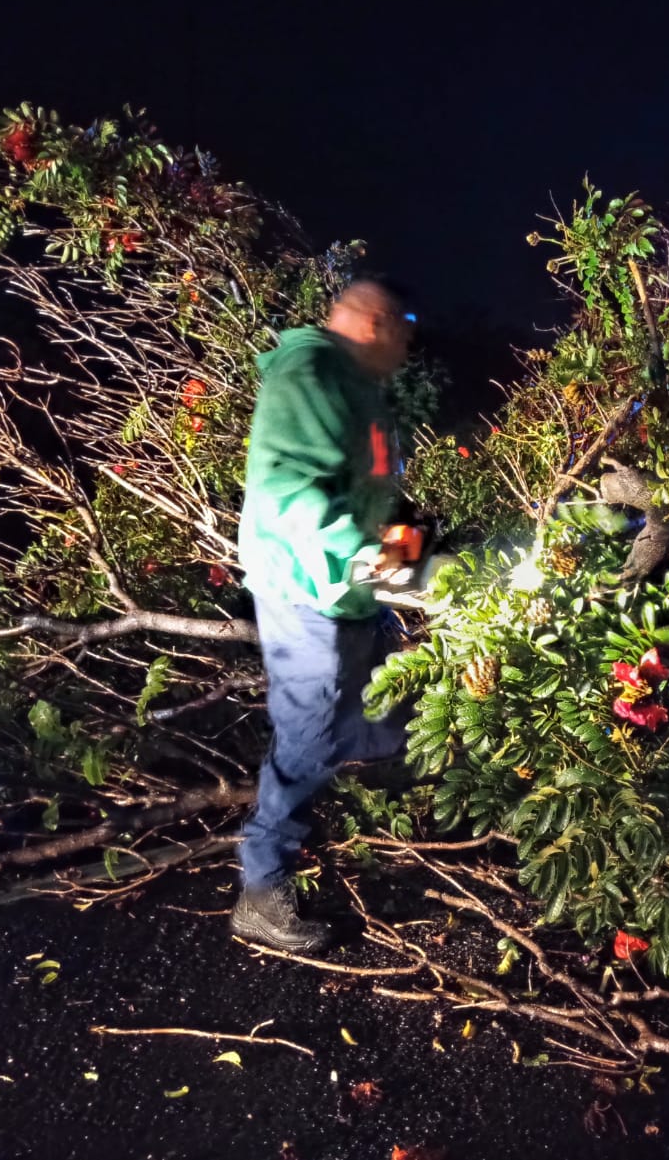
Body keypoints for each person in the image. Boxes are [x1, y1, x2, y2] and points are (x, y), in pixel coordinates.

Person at [231, 279, 416, 954]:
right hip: (306, 587)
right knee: (308, 735)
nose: (409, 344)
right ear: (377, 323)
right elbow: (290, 494)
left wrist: (408, 546)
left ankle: (401, 800)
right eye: (405, 327)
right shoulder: (310, 372)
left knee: (383, 710)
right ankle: (261, 889)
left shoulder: (360, 389)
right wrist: (368, 558)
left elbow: (367, 490)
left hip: (349, 591)